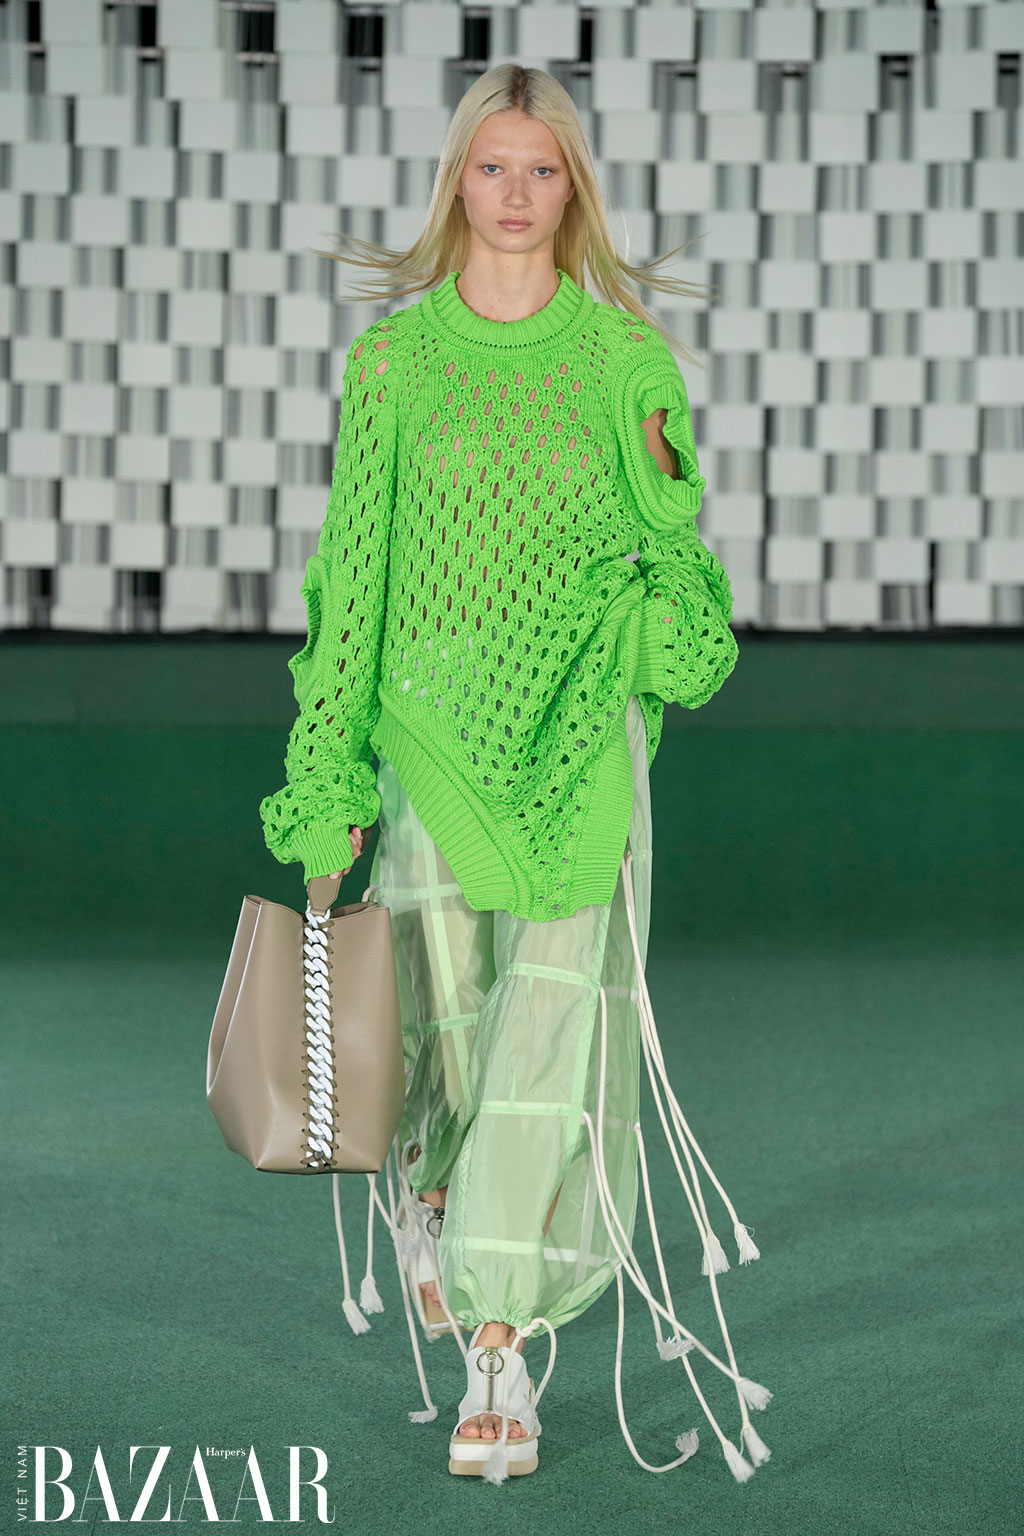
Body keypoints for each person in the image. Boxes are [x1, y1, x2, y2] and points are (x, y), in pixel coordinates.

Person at [259, 63, 771, 1485]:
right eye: (492, 167)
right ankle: (431, 1198)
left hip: (583, 745)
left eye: (543, 169)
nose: (517, 193)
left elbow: (678, 575)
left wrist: (659, 560)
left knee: (548, 1045)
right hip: (431, 744)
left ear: (573, 189)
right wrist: (327, 785)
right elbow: (351, 584)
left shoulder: (623, 362)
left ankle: (499, 1348)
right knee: (451, 1031)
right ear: (457, 184)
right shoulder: (395, 365)